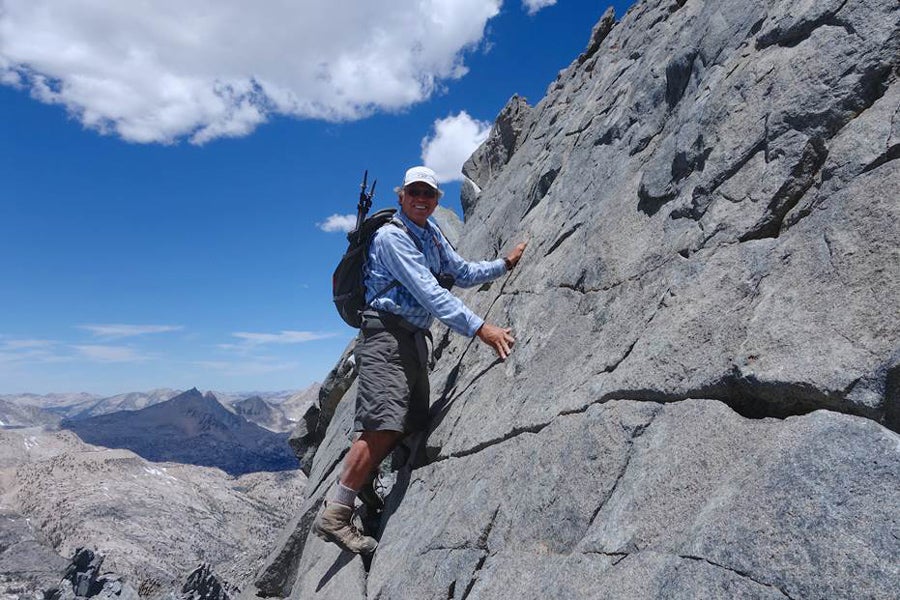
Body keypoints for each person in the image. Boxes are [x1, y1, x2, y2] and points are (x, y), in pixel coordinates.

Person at [312, 165, 527, 554]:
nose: (422, 199)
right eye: (415, 192)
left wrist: (504, 265)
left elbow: (459, 271)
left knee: (410, 419)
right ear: (402, 196)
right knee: (382, 422)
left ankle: (366, 482)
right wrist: (483, 330)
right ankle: (337, 512)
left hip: (411, 338)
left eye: (429, 194)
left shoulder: (430, 235)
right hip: (385, 336)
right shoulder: (392, 239)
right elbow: (432, 294)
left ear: (435, 199)